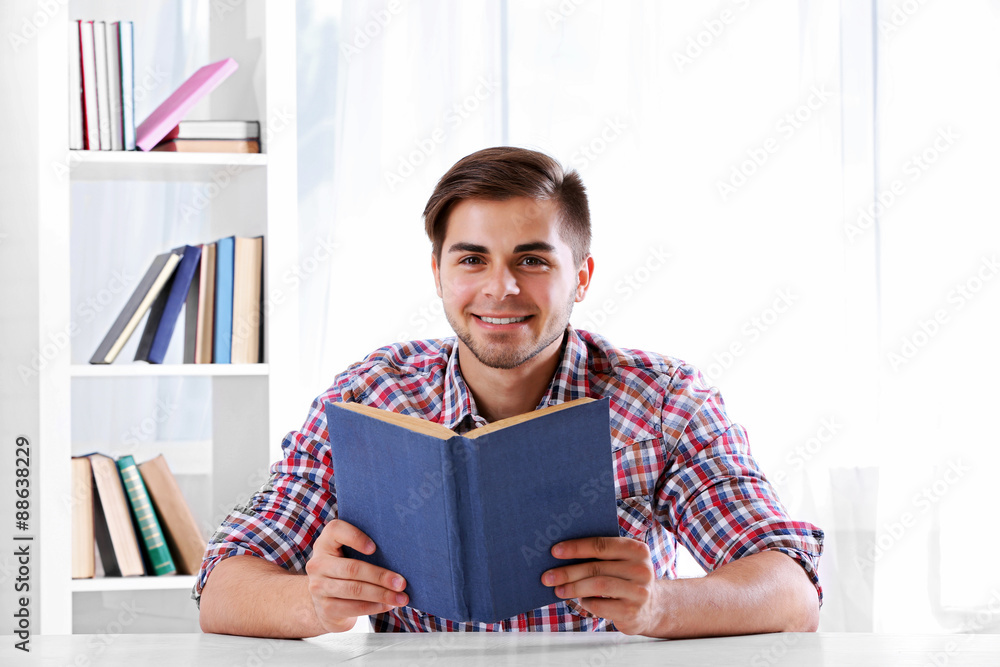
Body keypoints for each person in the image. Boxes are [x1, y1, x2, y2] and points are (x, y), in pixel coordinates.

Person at [196, 147, 824, 637]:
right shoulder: (371, 394)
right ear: (437, 274)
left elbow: (791, 592)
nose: (500, 289)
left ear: (581, 276)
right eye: (471, 260)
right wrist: (314, 603)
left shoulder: (663, 401)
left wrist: (660, 604)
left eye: (532, 260)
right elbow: (223, 587)